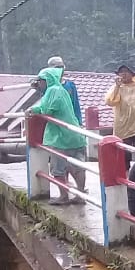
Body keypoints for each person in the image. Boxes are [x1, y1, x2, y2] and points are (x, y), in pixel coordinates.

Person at [27, 67, 87, 205]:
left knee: (58, 169)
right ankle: (80, 194)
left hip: (60, 137)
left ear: (47, 80)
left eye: (41, 81)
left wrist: (33, 110)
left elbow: (47, 109)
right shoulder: (61, 89)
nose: (39, 84)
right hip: (74, 134)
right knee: (78, 167)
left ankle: (63, 196)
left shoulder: (52, 90)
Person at [47, 56, 83, 126]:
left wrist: (79, 123)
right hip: (54, 123)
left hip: (69, 122)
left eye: (61, 67)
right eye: (57, 68)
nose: (60, 70)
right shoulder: (48, 86)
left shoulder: (70, 85)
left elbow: (75, 105)